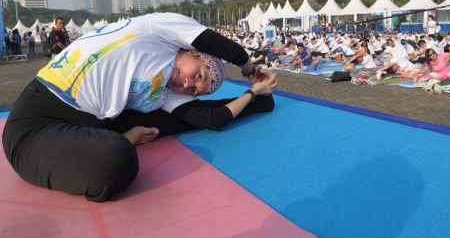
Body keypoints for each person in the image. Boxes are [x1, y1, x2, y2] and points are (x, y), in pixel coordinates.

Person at [3, 13, 278, 203]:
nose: (188, 84)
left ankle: (119, 141)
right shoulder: (155, 29)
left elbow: (209, 118)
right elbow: (218, 44)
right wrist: (249, 69)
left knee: (130, 151)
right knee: (116, 159)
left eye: (194, 90)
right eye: (199, 75)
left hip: (88, 126)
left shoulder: (167, 93)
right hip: (37, 124)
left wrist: (253, 94)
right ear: (193, 51)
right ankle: (123, 140)